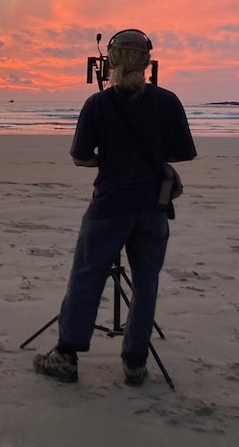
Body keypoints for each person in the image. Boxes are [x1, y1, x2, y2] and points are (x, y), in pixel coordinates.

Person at [33, 29, 196, 386]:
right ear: (148, 63)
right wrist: (151, 157)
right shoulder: (168, 101)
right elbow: (183, 152)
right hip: (153, 207)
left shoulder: (99, 104)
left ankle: (66, 355)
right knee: (146, 282)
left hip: (109, 206)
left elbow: (80, 158)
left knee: (86, 277)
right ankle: (135, 362)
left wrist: (106, 160)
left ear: (109, 63)